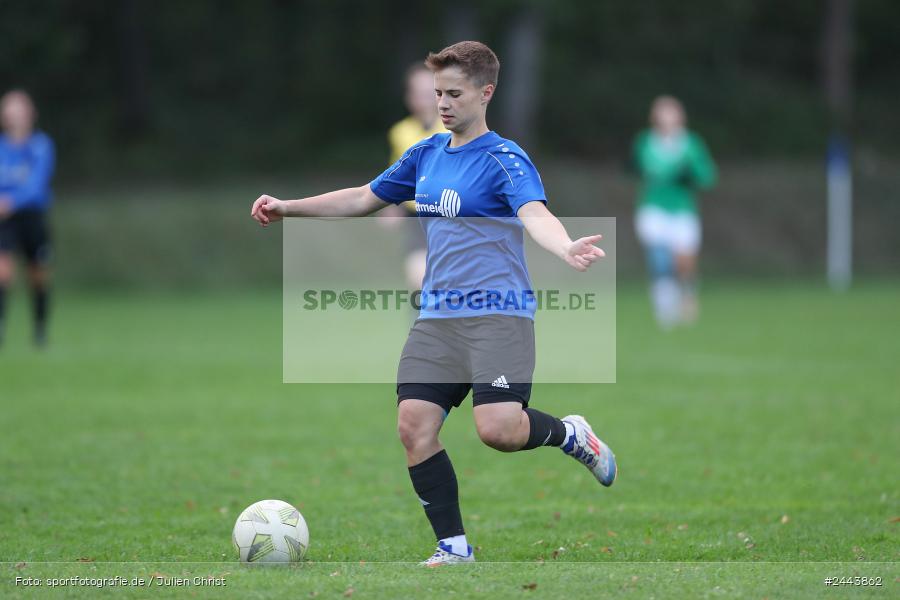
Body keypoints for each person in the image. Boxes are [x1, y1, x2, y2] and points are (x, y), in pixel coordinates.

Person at [251, 41, 616, 566]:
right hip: (438, 318)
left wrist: (565, 246)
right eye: (437, 92)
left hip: (499, 314)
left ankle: (570, 434)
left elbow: (535, 212)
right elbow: (362, 197)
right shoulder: (425, 152)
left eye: (454, 93)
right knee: (413, 426)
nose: (441, 103)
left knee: (499, 432)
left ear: (485, 93)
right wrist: (289, 207)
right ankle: (454, 546)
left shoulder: (504, 158)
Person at [631, 96, 717, 328]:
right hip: (653, 208)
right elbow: (647, 169)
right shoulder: (646, 142)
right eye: (662, 113)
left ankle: (688, 294)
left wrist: (690, 171)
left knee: (684, 261)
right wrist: (673, 170)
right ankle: (664, 308)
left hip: (682, 210)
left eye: (672, 112)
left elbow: (707, 176)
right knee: (660, 258)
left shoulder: (691, 144)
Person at [381, 63, 448, 292]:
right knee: (417, 280)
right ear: (409, 97)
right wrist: (391, 205)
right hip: (416, 217)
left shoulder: (456, 130)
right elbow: (397, 176)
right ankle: (423, 326)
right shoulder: (400, 132)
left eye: (429, 93)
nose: (424, 100)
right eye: (417, 94)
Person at [0, 90, 56, 348]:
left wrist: (11, 201)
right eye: (10, 109)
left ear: (30, 114)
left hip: (32, 216)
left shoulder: (41, 145)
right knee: (2, 272)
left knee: (38, 275)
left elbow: (36, 184)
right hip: (4, 220)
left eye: (19, 109)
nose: (14, 114)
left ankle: (40, 330)